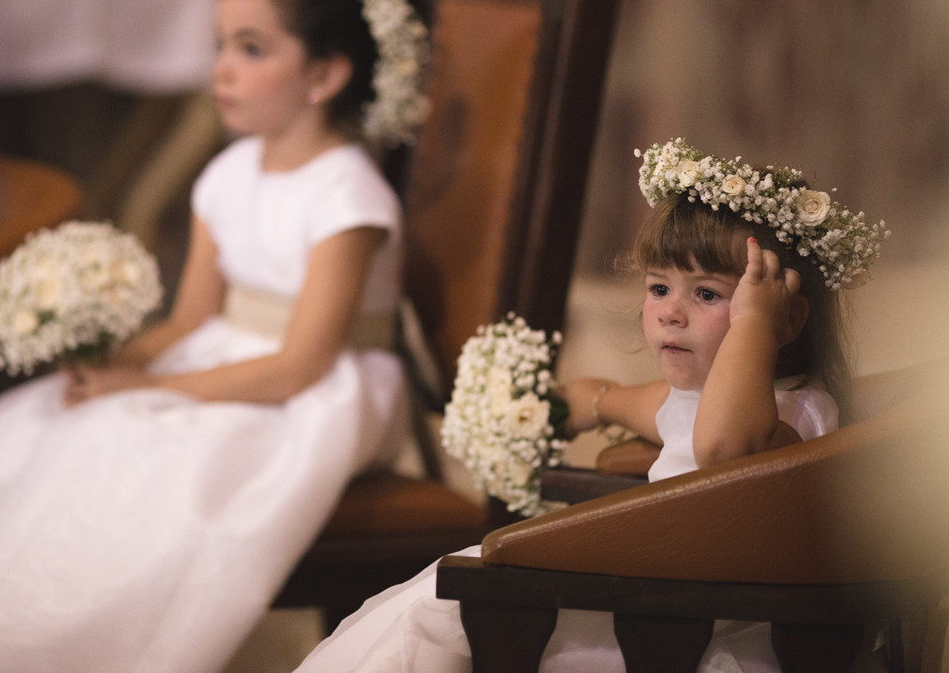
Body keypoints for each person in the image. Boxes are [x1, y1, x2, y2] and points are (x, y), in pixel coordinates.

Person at [0, 0, 430, 673]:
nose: (222, 71)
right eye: (218, 47)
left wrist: (145, 388)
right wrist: (106, 364)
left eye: (252, 49)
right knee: (31, 420)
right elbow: (191, 318)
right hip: (232, 358)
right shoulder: (227, 173)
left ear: (326, 74)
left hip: (317, 387)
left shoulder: (347, 194)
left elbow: (300, 364)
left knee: (146, 452)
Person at [292, 138, 890, 673]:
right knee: (417, 613)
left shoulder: (791, 416)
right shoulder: (688, 397)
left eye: (708, 294)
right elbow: (609, 399)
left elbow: (721, 449)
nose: (668, 313)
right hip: (646, 607)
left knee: (448, 611)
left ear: (789, 318)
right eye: (659, 288)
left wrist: (756, 323)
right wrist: (544, 406)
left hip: (692, 629)